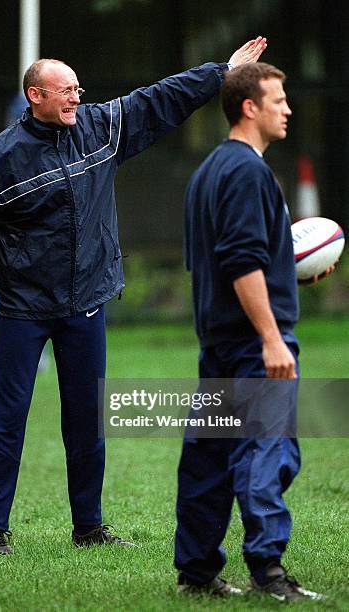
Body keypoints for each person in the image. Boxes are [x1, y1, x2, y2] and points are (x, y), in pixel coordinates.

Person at [0, 38, 266, 555]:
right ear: (34, 95)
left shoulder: (98, 127)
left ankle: (89, 527)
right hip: (24, 308)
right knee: (7, 422)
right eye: (65, 91)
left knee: (87, 422)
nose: (76, 99)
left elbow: (159, 98)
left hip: (86, 301)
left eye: (78, 90)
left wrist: (221, 73)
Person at [174, 63, 325, 601]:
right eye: (278, 100)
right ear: (249, 107)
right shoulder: (248, 173)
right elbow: (241, 263)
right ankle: (269, 572)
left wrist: (293, 269)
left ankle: (196, 572)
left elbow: (241, 260)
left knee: (210, 457)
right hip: (251, 345)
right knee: (267, 450)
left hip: (219, 341)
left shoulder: (210, 171)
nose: (287, 109)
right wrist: (271, 337)